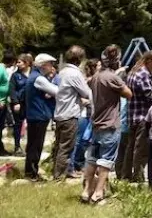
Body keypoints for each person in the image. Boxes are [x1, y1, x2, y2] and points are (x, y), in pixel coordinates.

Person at [83, 45, 132, 205]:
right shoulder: (112, 77)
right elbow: (128, 94)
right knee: (106, 161)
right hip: (110, 125)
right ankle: (98, 192)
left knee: (92, 159)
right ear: (116, 60)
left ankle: (86, 190)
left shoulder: (96, 76)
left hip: (96, 124)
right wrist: (118, 76)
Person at [53, 45, 92, 180]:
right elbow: (86, 92)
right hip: (70, 114)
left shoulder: (62, 71)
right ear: (79, 59)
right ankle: (59, 176)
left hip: (60, 113)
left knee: (59, 146)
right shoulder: (75, 73)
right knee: (66, 147)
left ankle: (61, 172)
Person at [123, 50, 152, 182]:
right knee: (140, 149)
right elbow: (149, 97)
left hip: (132, 114)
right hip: (142, 116)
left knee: (130, 147)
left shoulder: (133, 71)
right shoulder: (144, 74)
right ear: (149, 61)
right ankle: (137, 177)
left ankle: (125, 175)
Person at [24, 53, 59, 181]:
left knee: (33, 144)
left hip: (34, 115)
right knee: (36, 146)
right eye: (50, 64)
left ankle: (30, 172)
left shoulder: (34, 76)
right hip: (39, 115)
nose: (52, 66)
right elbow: (56, 91)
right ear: (44, 65)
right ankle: (32, 173)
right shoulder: (39, 79)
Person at [72, 58, 101, 174]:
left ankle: (82, 162)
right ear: (94, 67)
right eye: (98, 65)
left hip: (92, 113)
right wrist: (90, 101)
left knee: (88, 140)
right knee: (82, 140)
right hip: (85, 114)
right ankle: (77, 162)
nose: (101, 67)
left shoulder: (96, 79)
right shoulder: (89, 80)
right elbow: (84, 97)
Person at [9, 53, 33, 156]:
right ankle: (17, 147)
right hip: (19, 104)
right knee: (18, 125)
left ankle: (31, 147)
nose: (17, 64)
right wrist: (15, 102)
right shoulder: (15, 75)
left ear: (27, 63)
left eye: (19, 62)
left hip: (31, 104)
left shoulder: (33, 74)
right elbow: (12, 89)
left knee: (32, 125)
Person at [0, 51, 11, 157]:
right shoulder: (1, 69)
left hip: (3, 102)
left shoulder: (3, 69)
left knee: (1, 126)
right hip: (1, 102)